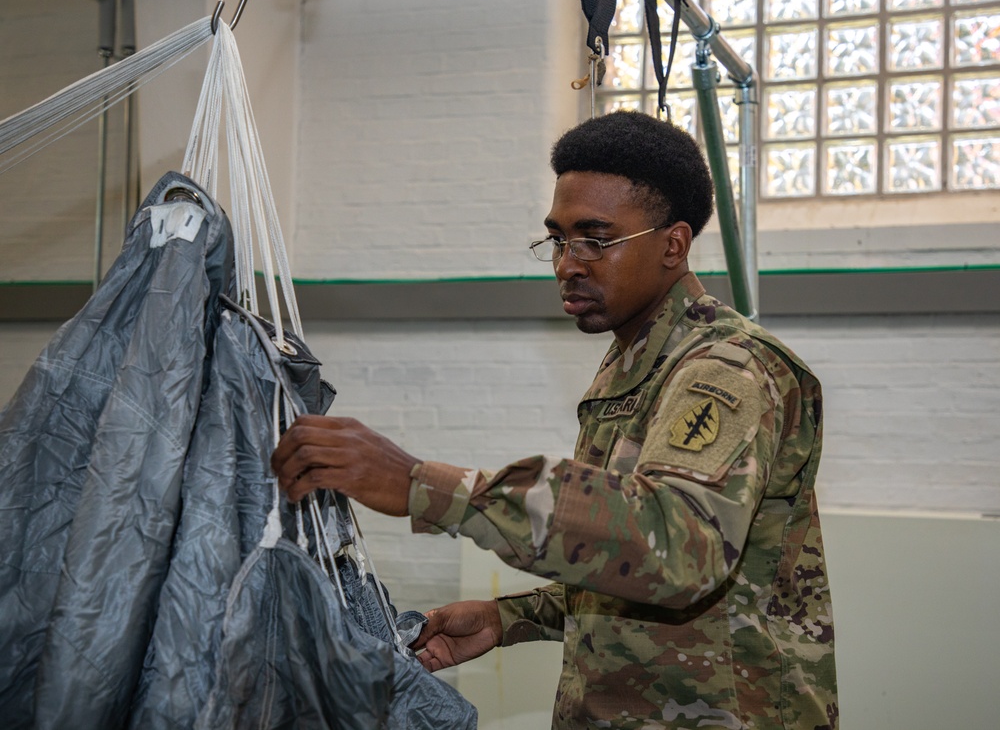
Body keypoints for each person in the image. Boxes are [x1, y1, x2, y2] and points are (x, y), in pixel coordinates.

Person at [271, 110, 838, 730]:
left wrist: (422, 486)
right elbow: (627, 559)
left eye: (597, 239)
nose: (568, 263)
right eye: (559, 239)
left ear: (672, 245)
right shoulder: (632, 365)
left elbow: (678, 549)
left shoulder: (725, 368)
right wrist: (508, 618)